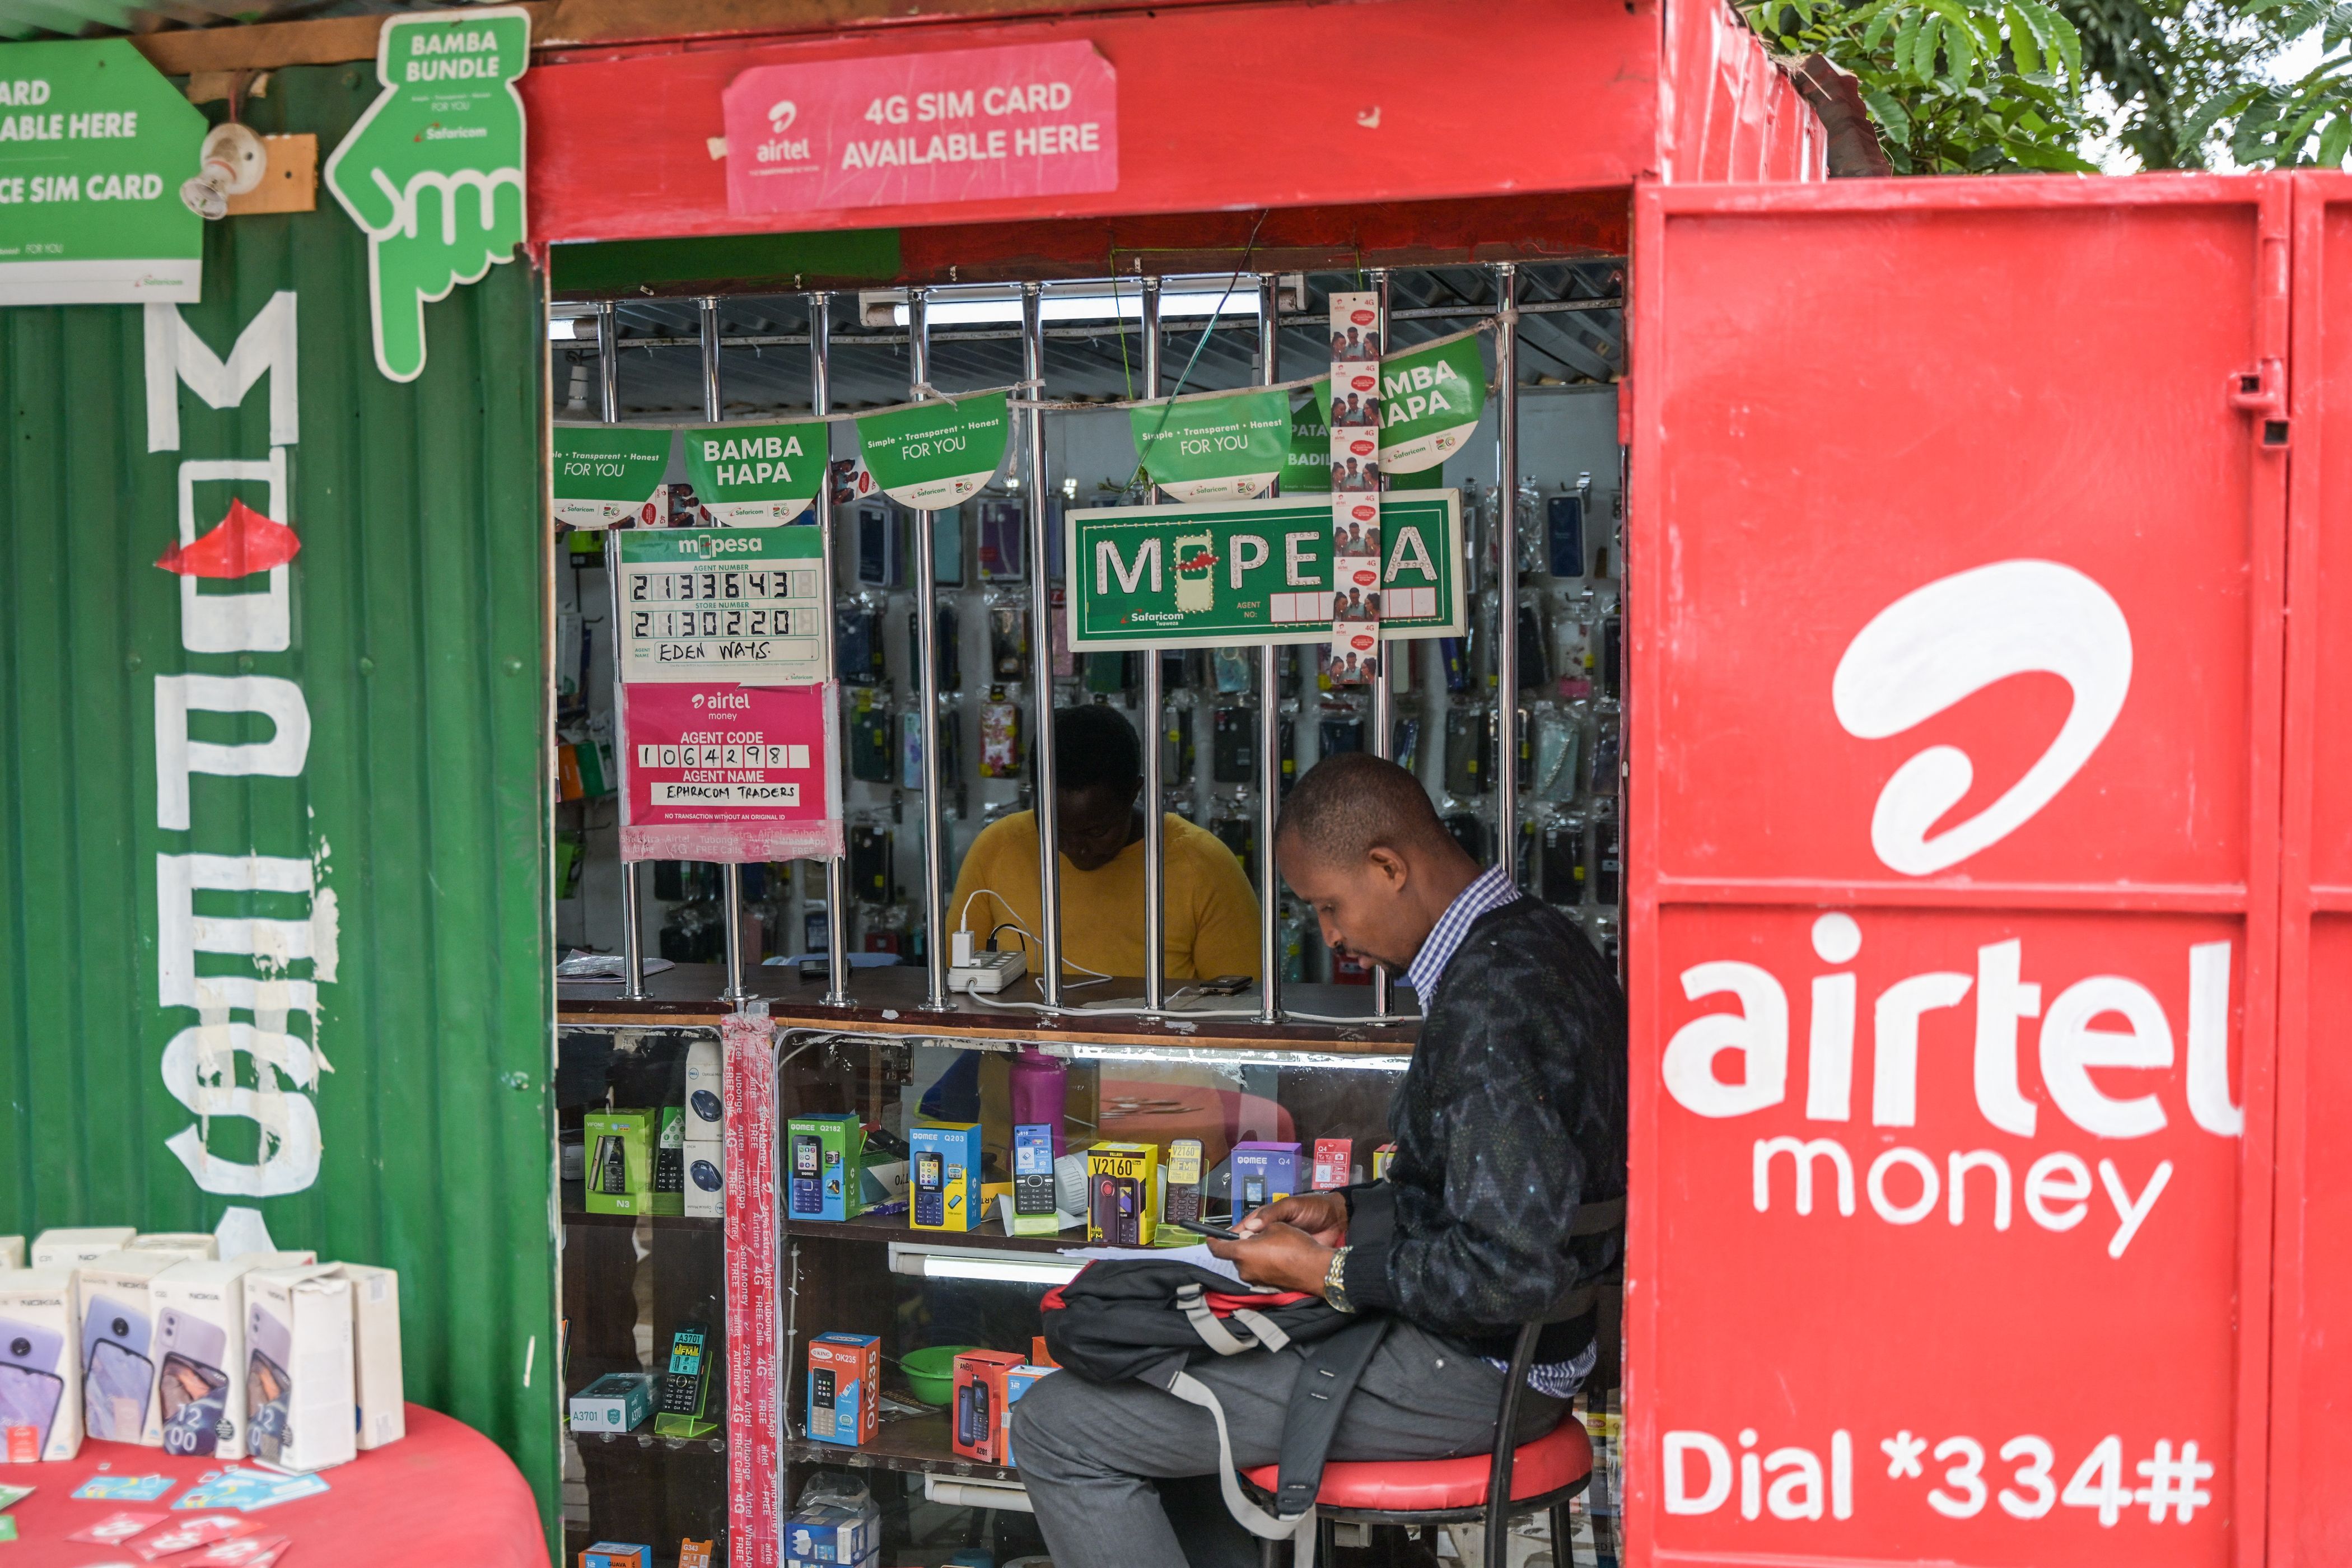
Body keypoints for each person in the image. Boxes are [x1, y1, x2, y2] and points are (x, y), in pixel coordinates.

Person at [1014, 753, 1627, 1568]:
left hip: (1478, 1372)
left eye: (1329, 906)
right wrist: (1354, 1208)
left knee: (1058, 1424)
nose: (1332, 935)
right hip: (1530, 1352)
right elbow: (1515, 1189)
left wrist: (1325, 1275)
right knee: (1173, 1351)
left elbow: (1507, 1271)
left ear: (1388, 867)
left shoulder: (1490, 1005)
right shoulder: (1545, 940)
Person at [949, 703, 1261, 984]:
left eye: (1096, 832)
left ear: (1134, 792)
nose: (1075, 847)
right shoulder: (997, 848)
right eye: (1054, 829)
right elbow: (956, 978)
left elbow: (1241, 1003)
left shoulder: (1203, 865)